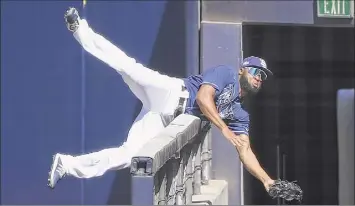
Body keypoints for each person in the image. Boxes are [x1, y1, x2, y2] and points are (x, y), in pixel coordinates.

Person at [48, 7, 275, 191]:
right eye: (256, 72)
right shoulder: (226, 73)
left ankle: (67, 165)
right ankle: (80, 29)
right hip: (170, 92)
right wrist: (224, 129)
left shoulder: (239, 114)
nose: (259, 78)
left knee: (128, 156)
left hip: (164, 121)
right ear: (242, 70)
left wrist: (267, 180)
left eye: (262, 77)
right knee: (128, 67)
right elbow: (204, 98)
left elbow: (245, 150)